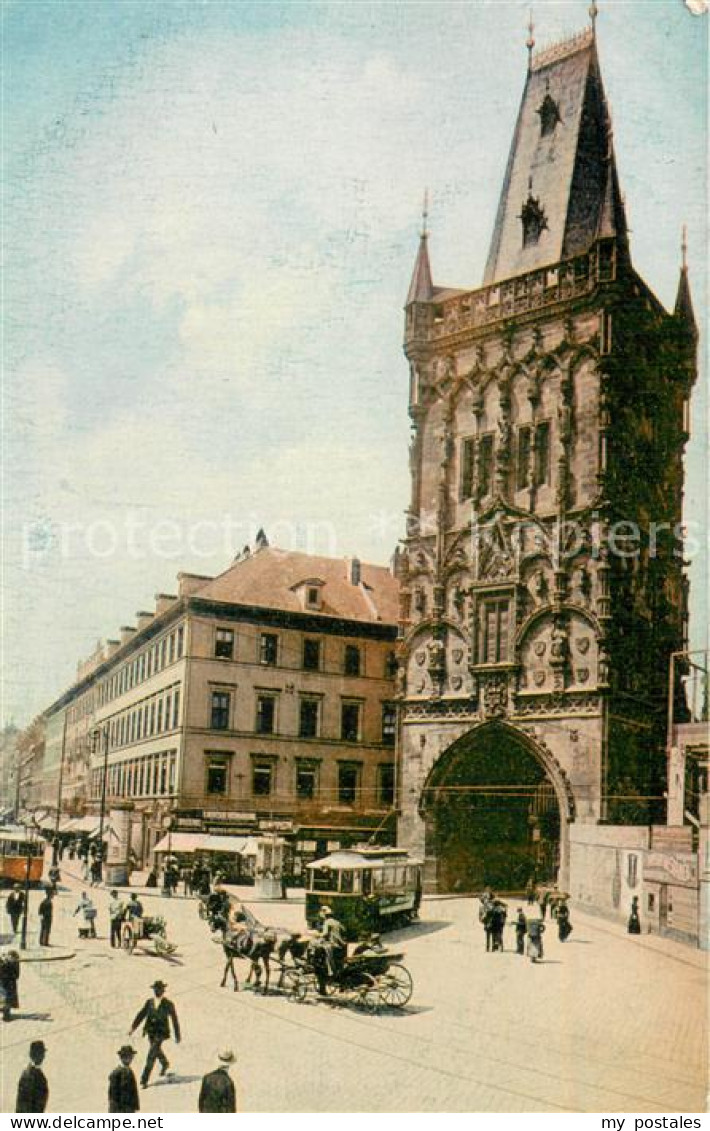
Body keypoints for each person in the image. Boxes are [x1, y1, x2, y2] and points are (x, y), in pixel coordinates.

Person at [130, 980, 181, 1089]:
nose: (157, 991)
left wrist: (177, 1035)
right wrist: (133, 1027)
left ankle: (144, 1079)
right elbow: (141, 1014)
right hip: (150, 1031)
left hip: (161, 1032)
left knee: (151, 1054)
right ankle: (165, 1063)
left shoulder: (168, 1004)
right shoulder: (149, 1002)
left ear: (163, 991)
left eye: (159, 989)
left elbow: (175, 1020)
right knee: (156, 1050)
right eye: (155, 989)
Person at [16, 1040, 48, 1112]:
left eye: (42, 1053)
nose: (42, 1056)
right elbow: (24, 1105)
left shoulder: (37, 1074)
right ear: (32, 1055)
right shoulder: (29, 1075)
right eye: (39, 1053)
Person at [108, 1045, 140, 1113]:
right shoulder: (118, 1072)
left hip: (128, 1107)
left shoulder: (128, 1070)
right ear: (122, 1058)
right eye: (129, 1057)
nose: (131, 1059)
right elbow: (113, 1094)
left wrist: (134, 1106)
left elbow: (133, 1091)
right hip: (121, 1109)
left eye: (131, 1057)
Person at [318, 905, 347, 979]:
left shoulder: (327, 922)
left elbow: (325, 933)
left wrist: (317, 935)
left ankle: (330, 973)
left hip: (333, 944)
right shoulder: (337, 922)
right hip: (342, 944)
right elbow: (344, 930)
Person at [0, 949, 21, 1021]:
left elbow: (17, 975)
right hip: (4, 983)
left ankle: (6, 1014)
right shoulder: (3, 962)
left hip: (9, 983)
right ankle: (6, 1014)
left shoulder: (15, 963)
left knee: (6, 999)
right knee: (5, 999)